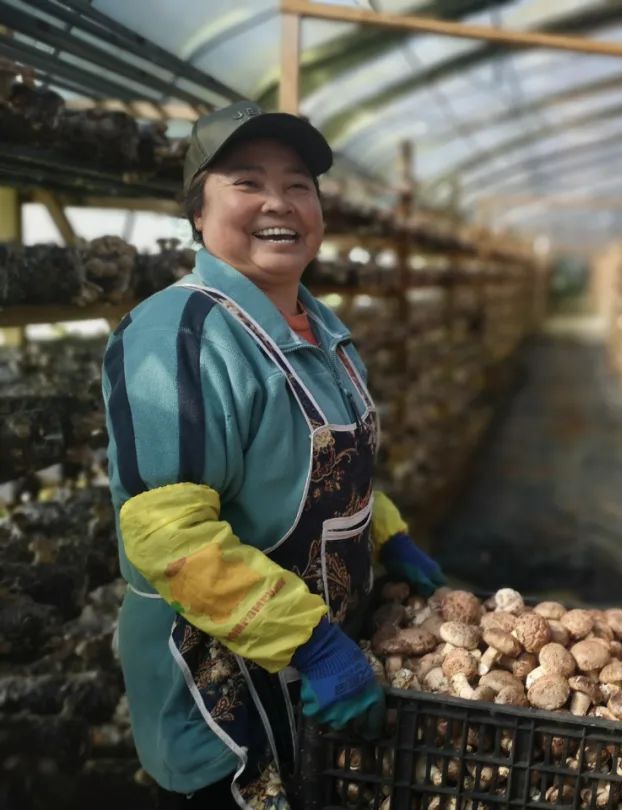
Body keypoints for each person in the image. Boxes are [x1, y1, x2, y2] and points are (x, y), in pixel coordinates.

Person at [101, 101, 447, 810]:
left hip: (320, 672)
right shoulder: (183, 336)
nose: (278, 204)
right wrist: (310, 644)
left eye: (298, 185)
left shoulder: (319, 324)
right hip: (224, 690)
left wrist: (388, 532)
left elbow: (312, 471)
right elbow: (169, 536)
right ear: (197, 210)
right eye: (247, 182)